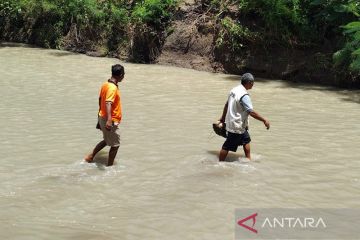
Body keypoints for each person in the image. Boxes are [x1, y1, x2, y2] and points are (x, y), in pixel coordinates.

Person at [218, 73, 270, 161]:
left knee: (246, 140)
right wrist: (264, 120)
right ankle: (219, 163)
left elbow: (226, 105)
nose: (253, 84)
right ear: (249, 82)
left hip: (233, 122)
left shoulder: (234, 90)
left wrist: (223, 118)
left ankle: (248, 160)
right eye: (252, 82)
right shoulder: (244, 95)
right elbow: (251, 112)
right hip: (237, 124)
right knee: (227, 145)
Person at [85, 64, 125, 166]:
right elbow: (108, 102)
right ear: (120, 75)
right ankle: (110, 166)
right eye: (123, 74)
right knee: (116, 145)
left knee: (107, 140)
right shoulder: (112, 88)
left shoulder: (105, 85)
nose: (124, 76)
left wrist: (100, 119)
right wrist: (108, 120)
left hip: (102, 116)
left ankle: (90, 157)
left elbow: (100, 100)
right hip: (110, 120)